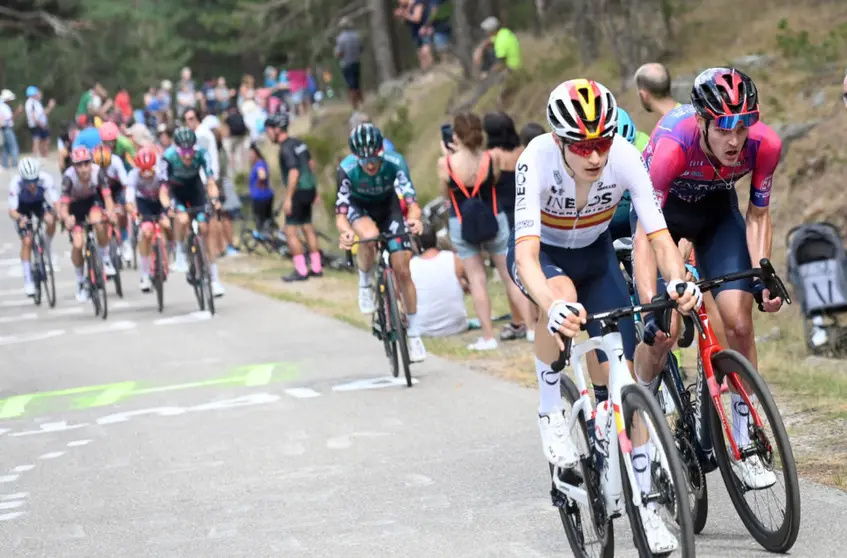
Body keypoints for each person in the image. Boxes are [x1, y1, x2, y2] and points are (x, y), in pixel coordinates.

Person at [510, 78, 700, 554]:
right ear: (560, 140)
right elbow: (527, 256)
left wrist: (676, 280)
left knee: (621, 383)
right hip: (547, 259)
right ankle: (551, 408)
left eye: (603, 142)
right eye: (584, 145)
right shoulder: (535, 158)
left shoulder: (625, 156)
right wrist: (550, 306)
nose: (595, 156)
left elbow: (658, 235)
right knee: (562, 297)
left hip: (595, 256)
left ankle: (648, 505)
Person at [633, 68, 783, 490]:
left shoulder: (765, 144)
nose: (735, 140)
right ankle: (645, 397)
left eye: (743, 125)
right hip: (663, 222)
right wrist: (651, 302)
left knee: (737, 320)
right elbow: (647, 233)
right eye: (724, 128)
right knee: (665, 330)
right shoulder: (671, 146)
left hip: (717, 214)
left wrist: (763, 274)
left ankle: (742, 437)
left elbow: (757, 215)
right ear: (702, 121)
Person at [336, 123, 427, 362]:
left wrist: (415, 220)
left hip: (389, 208)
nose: (370, 165)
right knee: (367, 236)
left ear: (381, 151)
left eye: (374, 159)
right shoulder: (346, 169)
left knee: (403, 270)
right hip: (360, 208)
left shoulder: (395, 162)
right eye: (363, 160)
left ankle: (415, 335)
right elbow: (341, 213)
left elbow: (412, 201)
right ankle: (365, 281)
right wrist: (346, 233)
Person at [438, 112, 519, 351]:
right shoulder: (489, 158)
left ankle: (488, 336)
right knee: (509, 275)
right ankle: (533, 329)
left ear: (456, 136)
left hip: (462, 220)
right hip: (493, 216)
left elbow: (446, 193)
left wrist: (449, 156)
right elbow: (492, 181)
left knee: (477, 279)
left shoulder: (446, 163)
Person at [483, 111, 532, 341]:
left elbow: (489, 182)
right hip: (524, 208)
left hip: (503, 212)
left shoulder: (492, 155)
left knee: (511, 270)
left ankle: (519, 320)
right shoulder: (522, 151)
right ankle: (530, 317)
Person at [160, 126, 225, 297]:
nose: (188, 155)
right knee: (182, 219)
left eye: (190, 149)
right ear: (177, 148)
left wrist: (215, 200)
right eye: (184, 150)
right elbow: (163, 190)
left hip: (196, 189)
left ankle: (214, 278)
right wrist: (168, 207)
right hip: (177, 191)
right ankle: (181, 253)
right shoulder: (168, 157)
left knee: (205, 227)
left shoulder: (202, 154)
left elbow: (210, 182)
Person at [263, 113, 322, 282]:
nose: (267, 134)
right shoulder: (300, 143)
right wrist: (315, 189)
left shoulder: (285, 148)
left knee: (290, 231)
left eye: (268, 130)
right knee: (308, 227)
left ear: (277, 130)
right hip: (309, 189)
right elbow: (310, 165)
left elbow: (294, 171)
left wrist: (288, 198)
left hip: (297, 191)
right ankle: (317, 268)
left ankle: (301, 270)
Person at [59, 146, 117, 301]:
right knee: (78, 244)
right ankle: (79, 280)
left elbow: (108, 198)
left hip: (92, 202)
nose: (84, 168)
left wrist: (110, 213)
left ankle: (105, 259)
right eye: (79, 165)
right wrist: (66, 218)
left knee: (98, 221)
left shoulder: (98, 172)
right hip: (75, 207)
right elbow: (63, 207)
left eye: (86, 163)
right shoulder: (68, 178)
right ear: (74, 166)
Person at [8, 157, 58, 296]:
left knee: (51, 221)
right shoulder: (15, 183)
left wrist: (54, 213)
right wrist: (20, 218)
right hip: (21, 209)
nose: (32, 185)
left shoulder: (46, 179)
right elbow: (12, 211)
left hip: (38, 204)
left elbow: (56, 202)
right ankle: (28, 279)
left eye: (34, 180)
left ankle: (47, 248)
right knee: (27, 241)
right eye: (28, 182)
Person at [409, 223, 469, 337]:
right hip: (458, 326)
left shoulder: (410, 266)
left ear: (416, 243)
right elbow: (470, 285)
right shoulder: (453, 258)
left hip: (424, 329)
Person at [126, 147, 171, 293]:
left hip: (160, 200)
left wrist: (169, 210)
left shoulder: (160, 172)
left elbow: (168, 192)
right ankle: (145, 274)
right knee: (145, 232)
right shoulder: (133, 175)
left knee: (168, 225)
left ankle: (172, 252)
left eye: (149, 170)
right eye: (142, 171)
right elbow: (130, 198)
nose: (146, 174)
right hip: (144, 202)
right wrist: (133, 211)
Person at [394, 0, 434, 72]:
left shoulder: (418, 3)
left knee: (426, 52)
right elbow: (406, 22)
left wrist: (405, 14)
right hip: (415, 32)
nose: (399, 2)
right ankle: (425, 72)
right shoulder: (407, 7)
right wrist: (400, 16)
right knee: (420, 55)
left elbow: (417, 18)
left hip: (424, 29)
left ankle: (432, 71)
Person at [335, 17, 363, 111]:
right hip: (356, 62)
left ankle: (354, 106)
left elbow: (339, 53)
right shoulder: (356, 36)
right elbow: (361, 48)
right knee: (357, 83)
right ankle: (361, 103)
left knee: (350, 85)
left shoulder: (341, 38)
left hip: (346, 64)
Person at [247, 143, 274, 228]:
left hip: (261, 198)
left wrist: (259, 182)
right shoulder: (258, 164)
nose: (250, 156)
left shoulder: (259, 164)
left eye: (251, 154)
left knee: (262, 224)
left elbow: (262, 175)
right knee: (266, 223)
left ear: (256, 153)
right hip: (262, 197)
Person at [24, 86, 55, 158]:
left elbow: (42, 113)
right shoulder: (31, 103)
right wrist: (40, 124)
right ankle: (36, 156)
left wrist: (50, 107)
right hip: (36, 125)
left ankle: (44, 155)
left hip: (40, 124)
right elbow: (33, 116)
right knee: (37, 141)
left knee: (45, 140)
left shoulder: (36, 102)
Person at [0, 89, 21, 170]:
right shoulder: (5, 107)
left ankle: (5, 165)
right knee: (13, 147)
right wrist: (18, 112)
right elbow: (10, 118)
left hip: (2, 129)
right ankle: (14, 165)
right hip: (7, 129)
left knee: (4, 148)